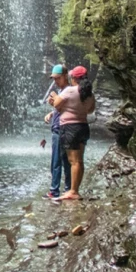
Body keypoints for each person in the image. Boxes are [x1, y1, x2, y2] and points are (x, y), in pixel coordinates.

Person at [48, 65, 95, 201]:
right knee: (79, 161)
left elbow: (57, 104)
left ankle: (73, 191)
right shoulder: (88, 93)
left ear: (73, 78)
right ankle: (75, 189)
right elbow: (90, 110)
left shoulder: (70, 91)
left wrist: (54, 97)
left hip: (70, 129)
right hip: (83, 127)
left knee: (73, 161)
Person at [41, 65, 71, 199]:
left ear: (65, 76)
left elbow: (69, 108)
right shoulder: (64, 91)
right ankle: (67, 189)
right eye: (54, 78)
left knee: (57, 162)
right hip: (60, 128)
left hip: (61, 130)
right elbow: (63, 108)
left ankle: (54, 191)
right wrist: (52, 113)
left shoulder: (67, 91)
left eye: (58, 78)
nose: (55, 81)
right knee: (65, 161)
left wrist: (54, 100)